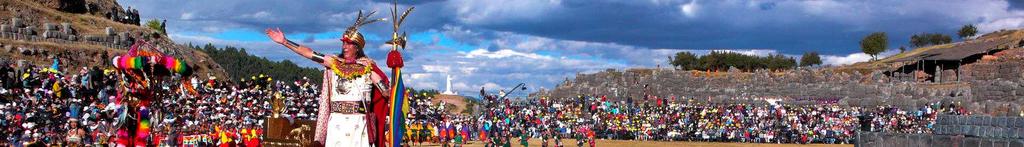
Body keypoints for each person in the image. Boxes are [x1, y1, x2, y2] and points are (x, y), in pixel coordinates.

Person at [265, 11, 390, 147]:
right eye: (344, 43)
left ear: (357, 47)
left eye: (349, 44)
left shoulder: (368, 68)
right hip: (336, 122)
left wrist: (396, 80)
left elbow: (385, 92)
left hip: (358, 124)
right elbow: (308, 53)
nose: (344, 47)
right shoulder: (334, 62)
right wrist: (284, 41)